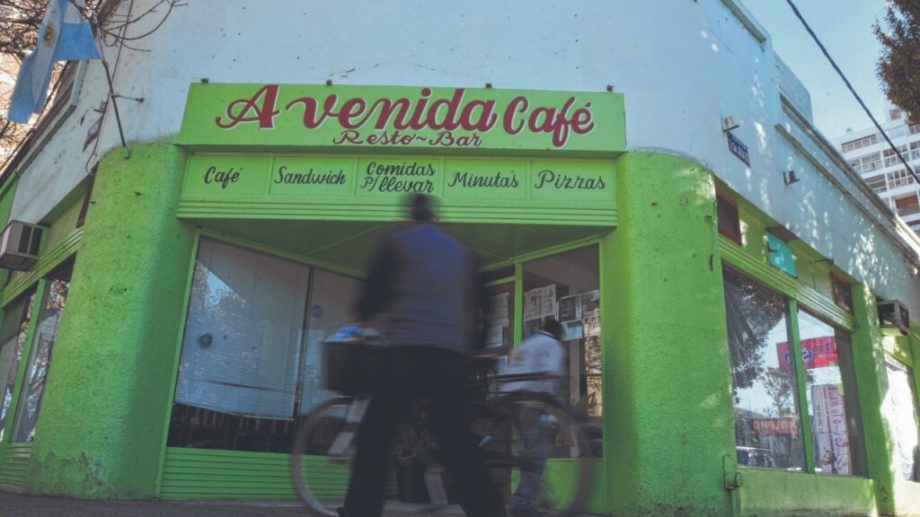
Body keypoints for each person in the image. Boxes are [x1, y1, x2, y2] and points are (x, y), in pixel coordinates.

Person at [341, 193, 505, 517]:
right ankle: (489, 511)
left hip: (403, 352)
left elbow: (372, 295)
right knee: (456, 441)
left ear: (409, 217)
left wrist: (365, 316)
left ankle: (362, 510)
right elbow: (485, 304)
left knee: (376, 434)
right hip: (449, 357)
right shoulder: (464, 252)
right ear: (435, 218)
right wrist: (474, 346)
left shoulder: (396, 242)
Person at [501, 317, 567, 517]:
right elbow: (550, 375)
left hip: (510, 399)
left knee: (530, 452)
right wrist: (550, 410)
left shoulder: (527, 343)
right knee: (537, 452)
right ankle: (522, 502)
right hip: (531, 400)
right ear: (558, 333)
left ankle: (541, 498)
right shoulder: (553, 345)